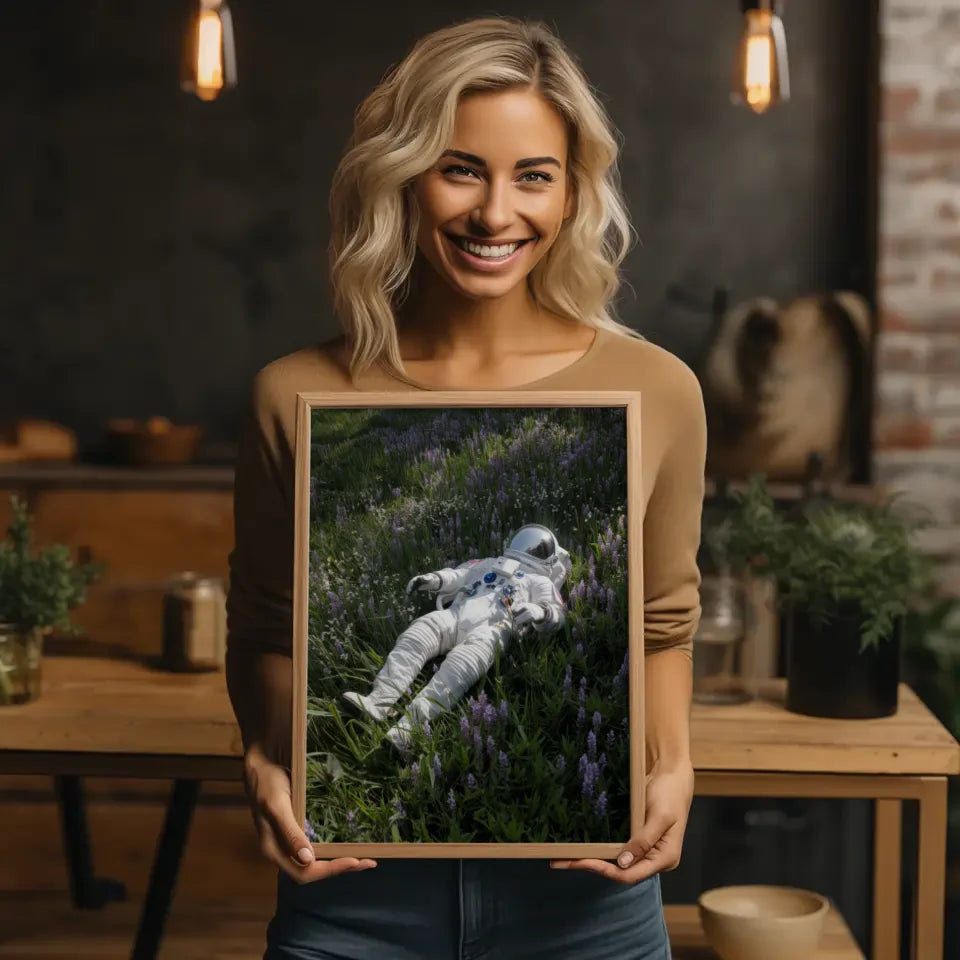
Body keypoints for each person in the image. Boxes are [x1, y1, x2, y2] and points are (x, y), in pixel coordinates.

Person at [226, 15, 705, 960]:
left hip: (586, 909)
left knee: (456, 672)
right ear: (402, 178)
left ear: (573, 194)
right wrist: (263, 757)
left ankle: (418, 720)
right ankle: (380, 716)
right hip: (351, 903)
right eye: (460, 170)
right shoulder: (294, 393)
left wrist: (673, 766)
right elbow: (266, 626)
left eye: (534, 176)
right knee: (418, 644)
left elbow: (660, 624)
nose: (495, 214)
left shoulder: (658, 388)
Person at [341, 523, 571, 751]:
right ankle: (378, 701)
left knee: (457, 669)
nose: (527, 550)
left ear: (550, 560)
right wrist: (435, 579)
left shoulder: (540, 581)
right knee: (418, 633)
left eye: (536, 549)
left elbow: (557, 612)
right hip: (456, 614)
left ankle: (408, 729)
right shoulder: (489, 563)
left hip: (492, 631)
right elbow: (459, 574)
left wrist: (540, 612)